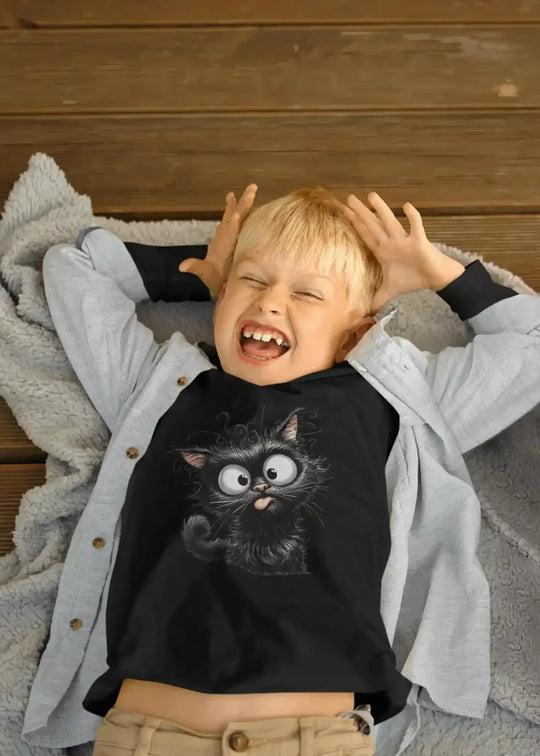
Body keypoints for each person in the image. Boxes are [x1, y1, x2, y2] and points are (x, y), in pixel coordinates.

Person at [22, 185, 537, 756]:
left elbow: (532, 342)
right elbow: (74, 267)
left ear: (357, 332)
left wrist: (439, 273)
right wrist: (204, 266)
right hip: (147, 736)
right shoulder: (158, 386)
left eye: (307, 293)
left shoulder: (394, 401)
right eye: (252, 280)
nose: (269, 303)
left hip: (312, 739)